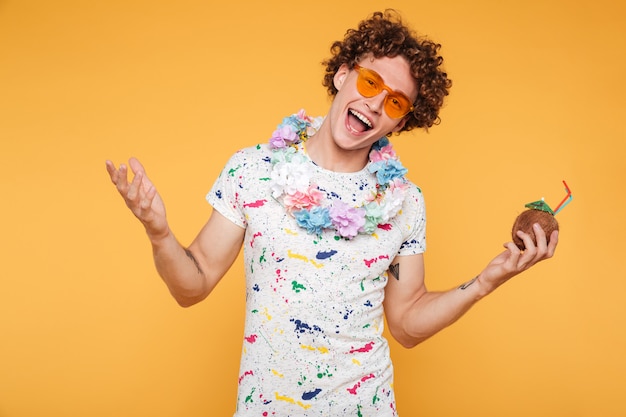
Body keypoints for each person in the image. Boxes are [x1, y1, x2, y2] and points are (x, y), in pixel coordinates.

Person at [106, 10, 558, 417]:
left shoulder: (404, 201)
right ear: (343, 75)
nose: (376, 104)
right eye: (370, 82)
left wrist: (483, 282)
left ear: (400, 123)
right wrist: (160, 233)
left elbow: (406, 324)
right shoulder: (254, 170)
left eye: (396, 102)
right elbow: (194, 285)